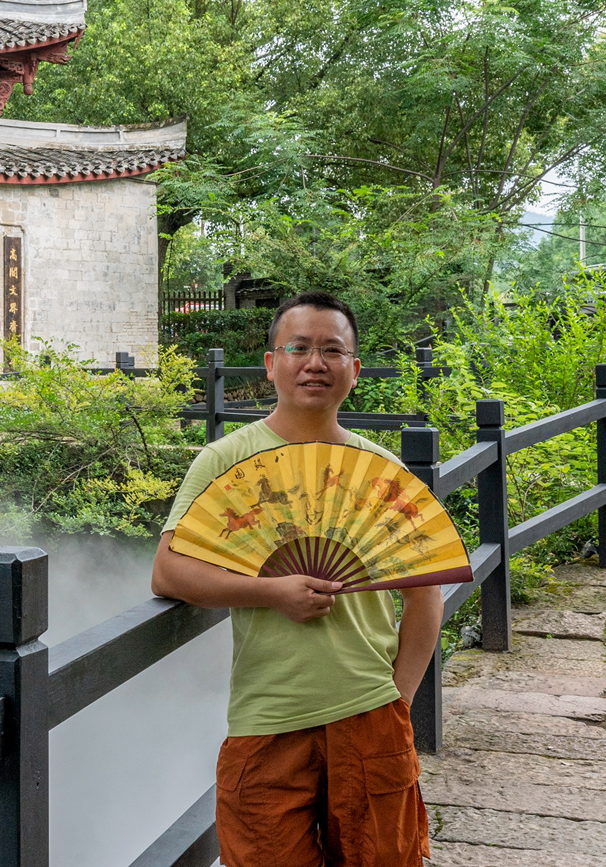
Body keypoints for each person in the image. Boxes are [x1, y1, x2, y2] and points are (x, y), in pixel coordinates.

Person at [151, 291, 440, 867]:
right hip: (267, 716)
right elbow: (168, 571)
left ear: (354, 370)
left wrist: (399, 701)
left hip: (370, 712)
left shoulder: (383, 470)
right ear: (271, 363)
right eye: (299, 348)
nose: (316, 363)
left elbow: (425, 593)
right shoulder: (225, 460)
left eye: (333, 350)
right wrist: (270, 592)